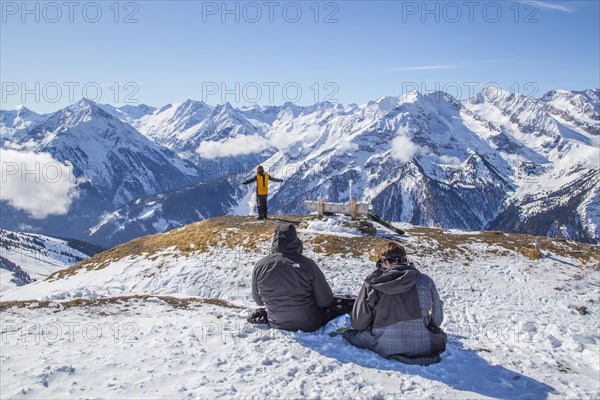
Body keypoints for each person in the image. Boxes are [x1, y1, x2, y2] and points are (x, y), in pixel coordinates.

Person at [342, 242, 447, 365]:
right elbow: (437, 320)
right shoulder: (426, 281)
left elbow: (358, 324)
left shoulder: (373, 283)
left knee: (350, 334)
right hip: (423, 345)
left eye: (379, 263)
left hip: (384, 345)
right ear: (404, 260)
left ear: (385, 261)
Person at [250, 223, 350, 332]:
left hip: (276, 322)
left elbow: (258, 301)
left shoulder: (260, 266)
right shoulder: (307, 264)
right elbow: (325, 301)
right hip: (309, 323)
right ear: (295, 240)